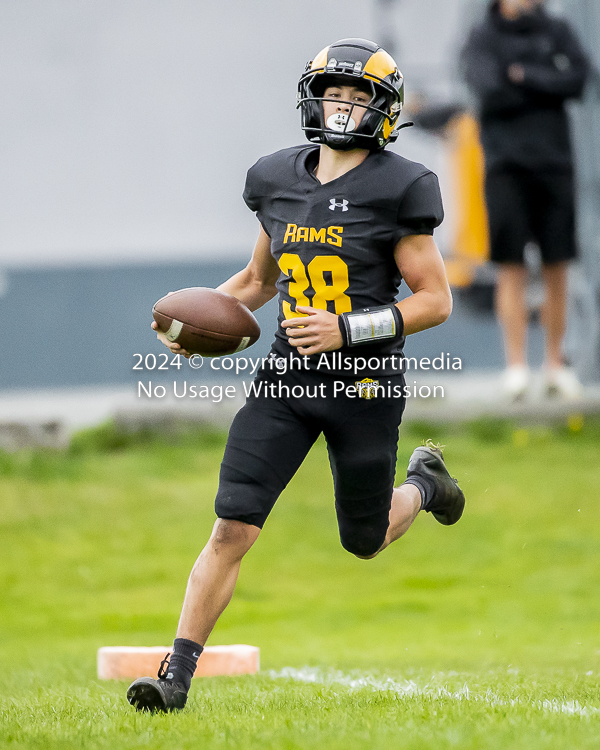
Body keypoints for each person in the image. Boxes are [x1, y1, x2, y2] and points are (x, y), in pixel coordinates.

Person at [127, 38, 465, 713]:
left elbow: (436, 300)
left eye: (359, 93)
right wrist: (197, 326)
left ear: (384, 109)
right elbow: (257, 280)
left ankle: (424, 487)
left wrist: (346, 329)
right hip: (286, 380)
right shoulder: (276, 178)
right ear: (314, 97)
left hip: (363, 386)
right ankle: (176, 678)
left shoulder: (401, 186)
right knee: (232, 526)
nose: (344, 103)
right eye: (335, 90)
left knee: (363, 540)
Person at [461, 0, 590, 400]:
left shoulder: (557, 30)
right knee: (510, 266)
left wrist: (521, 76)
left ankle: (555, 365)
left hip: (555, 164)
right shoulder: (483, 37)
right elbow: (489, 90)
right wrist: (547, 79)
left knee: (557, 266)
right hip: (505, 168)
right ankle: (515, 367)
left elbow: (581, 79)